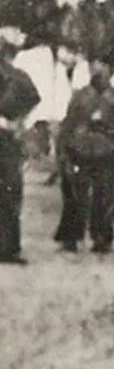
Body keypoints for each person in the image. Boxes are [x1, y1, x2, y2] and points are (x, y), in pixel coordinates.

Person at [55, 58, 114, 254]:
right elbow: (68, 124)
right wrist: (63, 152)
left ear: (110, 71)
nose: (98, 72)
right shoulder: (80, 96)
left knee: (104, 197)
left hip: (106, 152)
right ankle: (70, 237)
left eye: (103, 67)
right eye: (95, 67)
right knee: (75, 195)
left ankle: (102, 238)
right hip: (80, 151)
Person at [0, 28, 41, 264]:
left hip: (8, 139)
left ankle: (8, 248)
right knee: (10, 191)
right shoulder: (18, 76)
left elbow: (33, 100)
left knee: (10, 191)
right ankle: (8, 248)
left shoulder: (18, 76)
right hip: (8, 136)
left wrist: (17, 123)